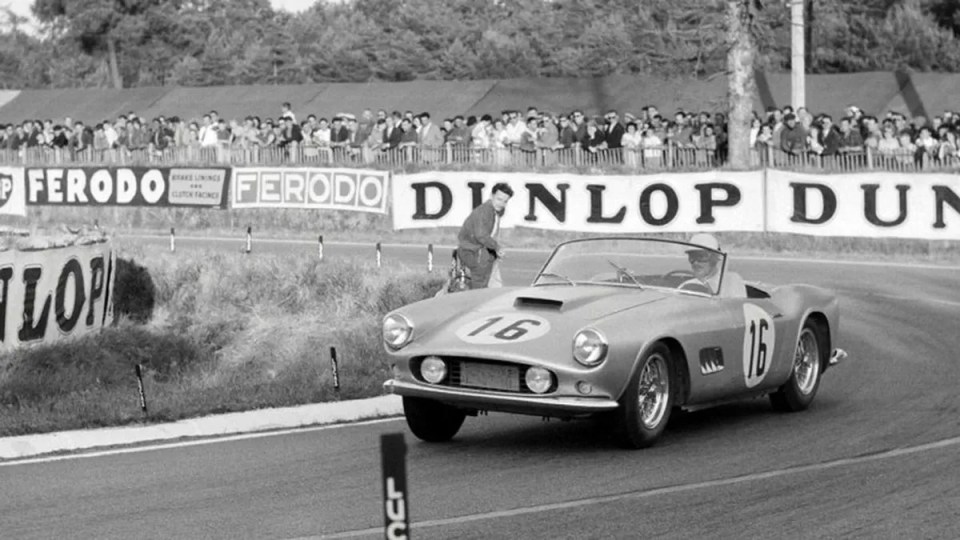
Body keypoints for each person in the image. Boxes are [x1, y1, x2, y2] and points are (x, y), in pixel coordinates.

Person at [457, 183, 514, 289]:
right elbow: (481, 235)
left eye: (505, 201)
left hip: (483, 252)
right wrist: (497, 247)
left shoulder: (492, 210)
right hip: (475, 253)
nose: (501, 204)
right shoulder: (484, 212)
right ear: (491, 196)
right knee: (480, 287)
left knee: (493, 286)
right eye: (499, 199)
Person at [680, 233, 745, 298]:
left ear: (714, 257)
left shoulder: (731, 280)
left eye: (701, 256)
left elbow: (737, 305)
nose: (695, 263)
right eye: (692, 257)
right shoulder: (686, 286)